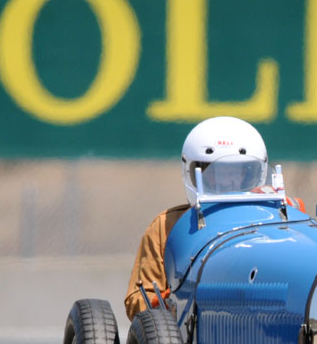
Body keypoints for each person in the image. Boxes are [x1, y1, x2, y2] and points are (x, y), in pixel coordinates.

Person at [124, 116, 301, 319]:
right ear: (191, 172)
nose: (226, 181)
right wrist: (172, 300)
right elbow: (138, 299)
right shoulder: (166, 226)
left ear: (253, 173)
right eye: (214, 172)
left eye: (236, 172)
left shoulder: (280, 216)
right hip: (190, 335)